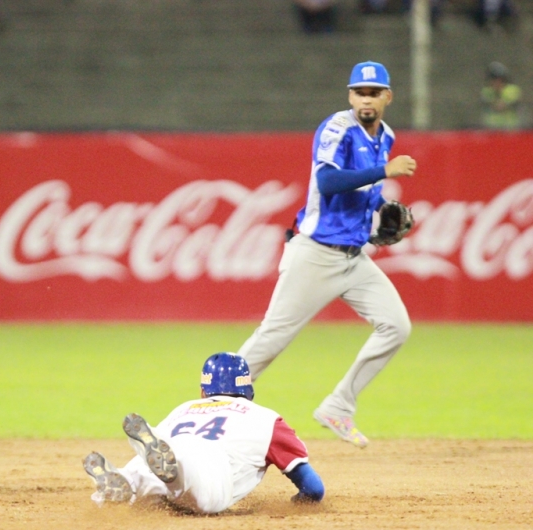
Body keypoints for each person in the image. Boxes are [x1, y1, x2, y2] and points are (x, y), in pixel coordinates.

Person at [235, 61, 416, 448]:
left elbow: (364, 191)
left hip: (353, 257)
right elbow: (328, 181)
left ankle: (338, 406)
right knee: (272, 338)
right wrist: (385, 171)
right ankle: (215, 402)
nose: (365, 99)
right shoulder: (338, 129)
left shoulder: (385, 134)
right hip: (316, 253)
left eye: (373, 92)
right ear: (350, 96)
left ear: (388, 97)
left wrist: (381, 206)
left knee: (396, 326)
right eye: (359, 92)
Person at [82, 353, 324, 514]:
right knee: (189, 485)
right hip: (210, 466)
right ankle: (168, 471)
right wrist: (297, 503)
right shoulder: (268, 419)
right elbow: (313, 489)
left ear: (203, 391)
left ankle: (126, 480)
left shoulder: (185, 408)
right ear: (248, 388)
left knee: (150, 471)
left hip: (175, 444)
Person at [481, 61, 523, 130]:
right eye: (493, 79)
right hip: (491, 128)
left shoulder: (512, 90)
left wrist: (505, 104)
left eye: (499, 79)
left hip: (509, 128)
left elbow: (516, 104)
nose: (496, 82)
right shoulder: (487, 91)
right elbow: (485, 104)